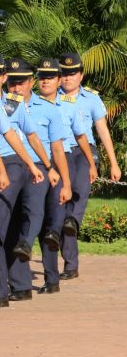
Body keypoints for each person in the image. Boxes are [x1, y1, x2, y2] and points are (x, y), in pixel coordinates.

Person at [0, 55, 55, 307]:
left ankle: (2, 289)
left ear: (3, 78)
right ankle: (19, 286)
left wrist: (44, 166)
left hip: (15, 166)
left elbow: (32, 136)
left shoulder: (13, 103)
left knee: (0, 225)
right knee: (7, 225)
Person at [4, 58, 72, 301]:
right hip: (11, 168)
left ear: (30, 82)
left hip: (41, 169)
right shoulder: (0, 106)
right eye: (12, 82)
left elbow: (57, 148)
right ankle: (20, 286)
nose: (16, 87)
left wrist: (66, 183)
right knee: (12, 223)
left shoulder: (48, 109)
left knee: (37, 216)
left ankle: (50, 275)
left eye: (21, 82)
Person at [33, 58, 96, 294]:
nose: (45, 81)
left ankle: (52, 279)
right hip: (37, 164)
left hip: (63, 161)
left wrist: (91, 163)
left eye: (50, 77)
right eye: (42, 77)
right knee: (40, 220)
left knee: (54, 219)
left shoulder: (68, 105)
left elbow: (81, 136)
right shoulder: (28, 105)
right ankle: (46, 276)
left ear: (58, 80)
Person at [57, 52, 122, 279]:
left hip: (85, 152)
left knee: (80, 189)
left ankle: (73, 220)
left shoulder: (91, 99)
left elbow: (102, 130)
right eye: (64, 73)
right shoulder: (50, 97)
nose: (68, 78)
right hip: (60, 152)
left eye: (72, 73)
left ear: (81, 75)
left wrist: (113, 163)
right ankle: (70, 265)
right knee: (63, 207)